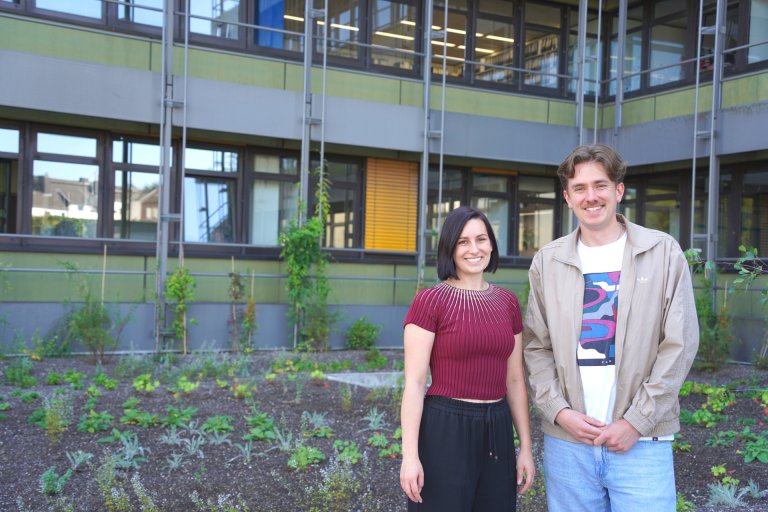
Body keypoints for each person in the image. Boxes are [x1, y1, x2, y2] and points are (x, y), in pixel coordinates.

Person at [523, 143, 699, 511]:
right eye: (580, 188)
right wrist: (559, 411)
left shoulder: (662, 252)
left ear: (619, 191)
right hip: (569, 444)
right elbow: (537, 346)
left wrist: (636, 420)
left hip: (642, 443)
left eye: (600, 185)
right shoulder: (548, 261)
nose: (591, 197)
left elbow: (679, 345)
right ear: (568, 198)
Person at [400, 205, 535, 511]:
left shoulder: (507, 302)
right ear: (450, 247)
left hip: (497, 430)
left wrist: (525, 447)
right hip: (445, 429)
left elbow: (514, 380)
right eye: (463, 241)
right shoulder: (430, 301)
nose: (474, 249)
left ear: (491, 244)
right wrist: (410, 456)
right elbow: (415, 382)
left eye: (481, 239)